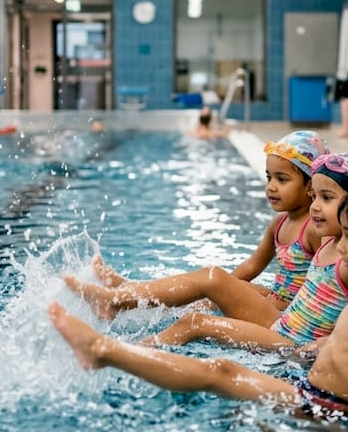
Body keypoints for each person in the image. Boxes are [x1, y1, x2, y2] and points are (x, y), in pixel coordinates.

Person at [49, 177, 348, 425]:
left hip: (325, 406)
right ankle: (111, 345)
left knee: (220, 372)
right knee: (218, 369)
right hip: (310, 390)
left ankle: (105, 351)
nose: (343, 248)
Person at [64, 130, 329, 320]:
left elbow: (329, 285)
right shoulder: (279, 223)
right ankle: (130, 291)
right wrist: (226, 288)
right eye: (269, 177)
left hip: (289, 314)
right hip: (273, 299)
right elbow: (251, 266)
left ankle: (120, 300)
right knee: (206, 292)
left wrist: (221, 287)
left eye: (282, 179)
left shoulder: (314, 230)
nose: (271, 186)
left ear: (310, 186)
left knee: (210, 284)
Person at [144, 151, 348, 349]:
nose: (314, 207)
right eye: (314, 197)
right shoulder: (330, 242)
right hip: (282, 324)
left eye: (326, 198)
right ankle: (132, 305)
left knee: (194, 323)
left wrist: (328, 344)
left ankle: (131, 352)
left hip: (292, 343)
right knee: (211, 285)